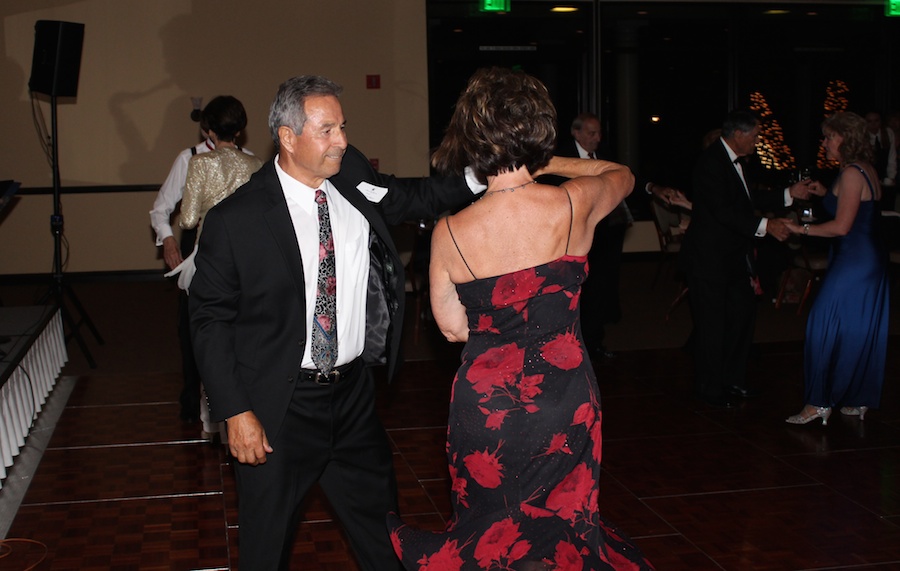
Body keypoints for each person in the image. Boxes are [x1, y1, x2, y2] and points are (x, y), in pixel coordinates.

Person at [189, 75, 485, 571]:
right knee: (265, 550)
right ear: (287, 138)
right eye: (327, 130)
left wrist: (479, 178)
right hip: (278, 408)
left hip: (352, 399)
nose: (343, 142)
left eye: (342, 127)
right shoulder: (236, 220)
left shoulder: (348, 176)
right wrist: (235, 412)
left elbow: (411, 198)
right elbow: (209, 321)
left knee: (383, 536)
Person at [386, 67, 654, 570]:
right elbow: (621, 174)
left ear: (471, 139)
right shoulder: (573, 205)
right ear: (539, 131)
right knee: (563, 535)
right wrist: (542, 160)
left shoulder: (450, 230)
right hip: (564, 398)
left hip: (486, 409)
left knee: (491, 540)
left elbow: (452, 328)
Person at [678, 109, 822, 408]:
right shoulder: (711, 163)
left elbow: (746, 200)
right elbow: (723, 212)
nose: (758, 141)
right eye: (756, 135)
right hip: (709, 259)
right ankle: (709, 389)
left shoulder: (738, 162)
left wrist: (787, 194)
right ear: (739, 134)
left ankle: (733, 379)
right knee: (712, 324)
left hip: (733, 256)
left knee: (742, 316)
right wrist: (766, 226)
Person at [150, 99, 255, 424]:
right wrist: (167, 239)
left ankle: (234, 406)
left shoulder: (241, 161)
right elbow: (161, 208)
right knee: (193, 332)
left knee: (229, 329)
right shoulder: (190, 157)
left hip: (218, 256)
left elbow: (189, 217)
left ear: (207, 127)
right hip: (203, 253)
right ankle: (194, 404)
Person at [784, 111, 889, 425]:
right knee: (859, 327)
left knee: (822, 325)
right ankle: (857, 398)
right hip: (865, 258)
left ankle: (818, 402)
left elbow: (842, 227)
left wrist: (797, 229)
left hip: (854, 261)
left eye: (830, 136)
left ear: (846, 139)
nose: (825, 142)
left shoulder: (852, 174)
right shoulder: (862, 169)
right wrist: (823, 193)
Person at [864, 111, 897, 210]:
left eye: (876, 121)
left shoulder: (887, 133)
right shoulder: (863, 136)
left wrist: (891, 176)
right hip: (869, 176)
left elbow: (892, 156)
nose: (873, 124)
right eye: (869, 121)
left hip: (884, 176)